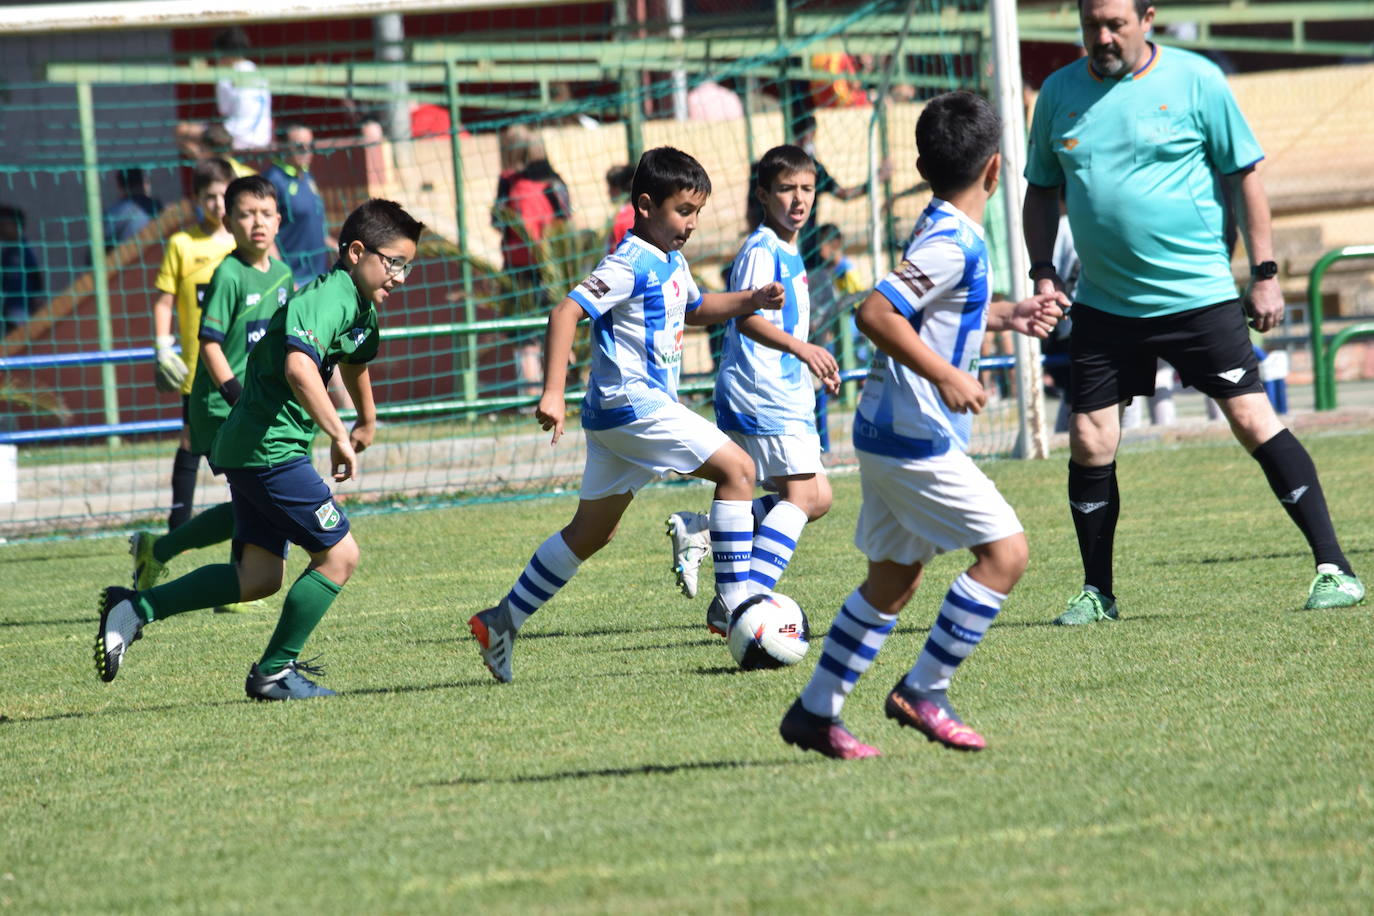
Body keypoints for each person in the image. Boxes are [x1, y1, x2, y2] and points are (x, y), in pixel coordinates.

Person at [1023, 0, 1365, 621]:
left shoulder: (1197, 79)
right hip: (1103, 301)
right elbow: (1041, 189)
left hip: (1197, 295)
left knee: (1252, 420)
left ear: (1147, 18)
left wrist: (1264, 276)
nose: (1102, 36)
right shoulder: (1057, 93)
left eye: (1115, 24)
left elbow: (1246, 178)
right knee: (1089, 439)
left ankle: (1335, 569)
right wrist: (1043, 272)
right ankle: (1097, 593)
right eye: (1091, 24)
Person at [779, 91, 1066, 759]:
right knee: (1006, 554)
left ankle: (815, 713)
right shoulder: (951, 238)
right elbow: (876, 314)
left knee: (894, 580)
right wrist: (947, 374)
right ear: (995, 170)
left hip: (887, 429)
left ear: (922, 163)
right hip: (914, 436)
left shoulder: (941, 226)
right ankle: (925, 689)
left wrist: (1005, 316)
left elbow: (931, 309)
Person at [466, 146, 786, 684]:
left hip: (616, 418)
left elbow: (697, 307)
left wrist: (750, 298)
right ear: (644, 205)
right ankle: (735, 606)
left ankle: (503, 620)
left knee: (591, 533)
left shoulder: (671, 262)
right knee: (739, 471)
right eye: (683, 211)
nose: (690, 223)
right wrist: (552, 391)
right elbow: (565, 310)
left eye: (696, 213)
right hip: (633, 403)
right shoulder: (629, 261)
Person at [94, 199, 425, 700]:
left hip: (260, 448)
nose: (401, 276)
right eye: (394, 262)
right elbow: (299, 368)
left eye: (408, 265)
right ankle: (274, 672)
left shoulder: (359, 306)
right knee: (340, 556)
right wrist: (338, 433)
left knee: (258, 577)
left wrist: (368, 420)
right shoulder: (329, 297)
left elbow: (356, 358)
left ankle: (134, 609)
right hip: (268, 450)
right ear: (357, 252)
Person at [664, 144, 840, 638]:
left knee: (817, 496)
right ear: (763, 194)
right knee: (804, 494)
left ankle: (707, 529)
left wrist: (810, 360)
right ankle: (741, 603)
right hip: (761, 391)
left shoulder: (788, 248)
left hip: (784, 391)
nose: (799, 199)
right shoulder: (761, 248)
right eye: (786, 189)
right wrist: (802, 351)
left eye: (806, 188)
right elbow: (746, 319)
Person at [128, 175, 293, 615]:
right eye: (245, 214)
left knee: (249, 500)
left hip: (256, 405)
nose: (256, 223)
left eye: (264, 214)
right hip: (224, 405)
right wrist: (240, 397)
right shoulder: (228, 274)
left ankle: (159, 551)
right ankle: (233, 578)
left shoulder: (283, 275)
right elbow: (210, 344)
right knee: (255, 497)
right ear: (229, 220)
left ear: (278, 221)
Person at [150, 157, 237, 531]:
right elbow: (164, 299)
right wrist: (162, 346)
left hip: (240, 362)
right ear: (196, 200)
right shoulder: (182, 244)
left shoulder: (245, 240)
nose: (218, 204)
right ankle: (177, 522)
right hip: (198, 365)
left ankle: (250, 517)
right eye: (210, 197)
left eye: (224, 195)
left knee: (241, 443)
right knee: (190, 440)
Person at [790, 113, 891, 271]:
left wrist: (876, 179)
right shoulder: (801, 166)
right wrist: (877, 178)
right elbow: (844, 194)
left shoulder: (813, 168)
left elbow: (844, 194)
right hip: (797, 247)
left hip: (803, 248)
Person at [265, 124, 331, 289]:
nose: (307, 152)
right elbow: (266, 237)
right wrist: (285, 279)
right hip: (295, 280)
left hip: (319, 275)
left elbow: (313, 222)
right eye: (300, 147)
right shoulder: (273, 181)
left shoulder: (306, 175)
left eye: (311, 146)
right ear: (283, 147)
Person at [213, 27, 272, 151]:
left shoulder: (225, 77)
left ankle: (217, 167)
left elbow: (223, 111)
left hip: (237, 139)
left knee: (183, 130)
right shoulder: (259, 73)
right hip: (264, 139)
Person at [0, 205, 44, 335]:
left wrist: (37, 298)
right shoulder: (7, 252)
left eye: (4, 225)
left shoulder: (25, 249)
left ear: (16, 226)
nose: (1, 229)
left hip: (23, 306)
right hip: (9, 305)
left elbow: (35, 274)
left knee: (22, 337)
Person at [103, 169, 164, 248]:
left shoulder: (115, 211)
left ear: (119, 186)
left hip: (125, 257)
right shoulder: (157, 207)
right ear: (144, 184)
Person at [605, 163, 635, 253]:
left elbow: (615, 250)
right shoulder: (641, 210)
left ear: (616, 189)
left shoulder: (620, 217)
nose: (608, 191)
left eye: (609, 186)